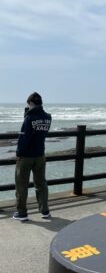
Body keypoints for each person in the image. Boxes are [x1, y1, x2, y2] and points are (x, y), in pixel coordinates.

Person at [13, 92, 52, 221]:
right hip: (40, 154)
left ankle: (22, 213)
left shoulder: (29, 118)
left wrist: (19, 153)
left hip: (26, 156)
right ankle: (45, 210)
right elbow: (39, 134)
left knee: (21, 184)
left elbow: (24, 138)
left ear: (31, 103)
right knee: (41, 183)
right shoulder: (48, 117)